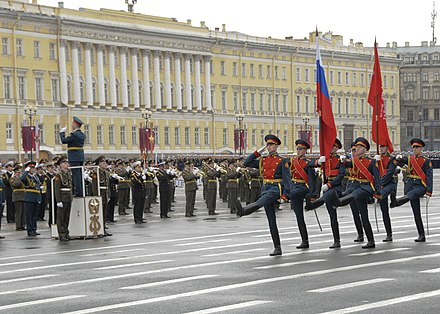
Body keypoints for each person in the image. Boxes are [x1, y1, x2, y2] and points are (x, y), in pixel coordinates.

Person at [236, 134, 289, 256]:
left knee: (261, 201)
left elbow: (287, 180)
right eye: (268, 145)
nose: (269, 147)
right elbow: (247, 163)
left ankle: (244, 211)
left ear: (276, 146)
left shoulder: (282, 161)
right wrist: (257, 152)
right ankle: (277, 247)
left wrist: (286, 195)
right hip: (265, 187)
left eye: (271, 145)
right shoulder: (263, 160)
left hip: (276, 188)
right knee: (271, 221)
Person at [334, 137, 381, 249]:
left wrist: (378, 192)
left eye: (360, 147)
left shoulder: (371, 161)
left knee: (355, 194)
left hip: (366, 188)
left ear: (365, 149)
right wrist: (341, 161)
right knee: (364, 216)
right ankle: (371, 241)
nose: (357, 149)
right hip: (357, 187)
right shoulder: (354, 161)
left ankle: (338, 202)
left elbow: (377, 179)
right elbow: (345, 165)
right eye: (356, 147)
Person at [305, 138, 346, 249]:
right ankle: (336, 240)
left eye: (334, 147)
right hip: (326, 189)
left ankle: (314, 204)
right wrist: (318, 162)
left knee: (329, 195)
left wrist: (330, 185)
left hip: (335, 188)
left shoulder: (340, 160)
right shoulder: (325, 159)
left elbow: (341, 175)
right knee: (332, 216)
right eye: (330, 146)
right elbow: (308, 166)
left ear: (337, 148)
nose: (332, 148)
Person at [392, 138, 433, 242]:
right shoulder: (410, 159)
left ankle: (396, 202)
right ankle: (421, 234)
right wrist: (398, 158)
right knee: (416, 213)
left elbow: (429, 177)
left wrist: (429, 191)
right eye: (414, 147)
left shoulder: (426, 161)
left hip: (420, 186)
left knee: (411, 195)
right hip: (411, 185)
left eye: (417, 147)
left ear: (421, 148)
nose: (415, 149)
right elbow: (399, 162)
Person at [285, 139, 317, 249]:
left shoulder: (308, 163)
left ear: (305, 150)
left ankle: (284, 197)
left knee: (292, 194)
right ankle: (305, 241)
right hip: (294, 187)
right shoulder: (292, 161)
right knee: (299, 217)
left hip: (303, 187)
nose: (299, 151)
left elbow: (312, 180)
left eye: (301, 149)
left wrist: (313, 194)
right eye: (298, 149)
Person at [374, 144, 397, 242]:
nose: (381, 149)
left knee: (381, 195)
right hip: (380, 185)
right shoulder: (376, 159)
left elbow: (390, 173)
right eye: (380, 147)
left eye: (383, 147)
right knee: (384, 211)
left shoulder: (391, 159)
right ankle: (389, 234)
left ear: (387, 148)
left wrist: (380, 184)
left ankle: (393, 197)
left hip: (389, 184)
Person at [60, 116, 85, 197]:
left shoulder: (74, 134)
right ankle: (81, 190)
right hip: (80, 155)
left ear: (75, 124)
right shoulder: (82, 134)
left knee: (76, 174)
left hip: (74, 156)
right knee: (80, 174)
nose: (72, 124)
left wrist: (62, 133)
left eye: (72, 123)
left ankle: (78, 192)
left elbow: (64, 141)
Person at [54, 156, 73, 241]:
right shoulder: (59, 175)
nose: (67, 164)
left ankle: (66, 232)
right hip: (62, 197)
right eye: (65, 163)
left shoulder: (68, 173)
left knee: (66, 216)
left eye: (67, 163)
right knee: (61, 217)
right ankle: (61, 234)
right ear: (61, 165)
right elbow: (57, 188)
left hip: (68, 197)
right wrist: (58, 200)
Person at [21, 161, 42, 237]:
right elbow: (22, 179)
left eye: (34, 168)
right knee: (29, 215)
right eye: (31, 168)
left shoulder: (35, 176)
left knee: (34, 215)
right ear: (28, 168)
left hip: (36, 197)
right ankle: (30, 230)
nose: (33, 169)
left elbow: (38, 185)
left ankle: (34, 229)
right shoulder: (26, 176)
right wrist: (26, 171)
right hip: (29, 197)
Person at [10, 164, 25, 231]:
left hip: (23, 196)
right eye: (18, 172)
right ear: (15, 172)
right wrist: (20, 178)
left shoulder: (20, 178)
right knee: (19, 212)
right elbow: (16, 184)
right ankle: (18, 226)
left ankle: (22, 225)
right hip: (17, 197)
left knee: (23, 212)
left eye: (20, 172)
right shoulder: (12, 179)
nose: (19, 173)